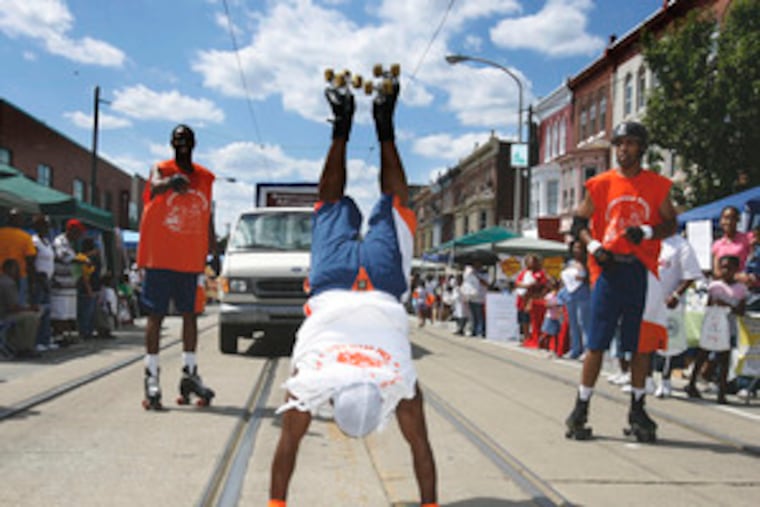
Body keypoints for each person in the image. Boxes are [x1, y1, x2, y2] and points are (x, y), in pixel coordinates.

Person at [269, 67, 437, 507]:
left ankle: (381, 125)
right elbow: (286, 450)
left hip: (380, 285)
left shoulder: (399, 383)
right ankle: (346, 126)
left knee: (395, 206)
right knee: (328, 205)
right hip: (334, 284)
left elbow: (422, 453)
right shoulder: (312, 382)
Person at [564, 121, 677, 443]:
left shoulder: (657, 185)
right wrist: (594, 245)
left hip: (640, 271)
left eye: (630, 143)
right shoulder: (600, 184)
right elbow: (580, 222)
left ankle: (638, 408)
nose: (623, 149)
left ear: (641, 147)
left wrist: (649, 232)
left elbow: (671, 222)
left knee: (640, 347)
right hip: (609, 271)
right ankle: (581, 407)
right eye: (620, 143)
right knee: (596, 344)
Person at [137, 124, 218, 409]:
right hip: (160, 257)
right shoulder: (162, 169)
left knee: (191, 314)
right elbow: (155, 187)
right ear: (171, 142)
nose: (182, 142)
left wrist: (214, 250)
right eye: (178, 138)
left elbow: (208, 213)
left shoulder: (206, 177)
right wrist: (172, 183)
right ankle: (151, 373)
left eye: (187, 138)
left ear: (194, 142)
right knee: (156, 315)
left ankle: (190, 372)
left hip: (190, 258)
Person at [685, 255, 747, 404]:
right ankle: (692, 384)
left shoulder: (740, 289)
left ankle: (722, 392)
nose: (725, 271)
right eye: (722, 267)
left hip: (728, 328)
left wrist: (728, 305)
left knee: (724, 360)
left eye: (729, 268)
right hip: (711, 326)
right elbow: (704, 304)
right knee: (702, 354)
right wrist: (712, 303)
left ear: (736, 270)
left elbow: (741, 311)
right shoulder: (714, 286)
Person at [647, 233, 703, 398]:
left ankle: (665, 381)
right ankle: (648, 379)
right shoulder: (651, 240)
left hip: (670, 303)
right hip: (650, 299)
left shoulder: (681, 245)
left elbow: (690, 275)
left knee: (669, 343)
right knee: (646, 341)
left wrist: (676, 295)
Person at [50, 219, 86, 343]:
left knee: (67, 313)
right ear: (70, 230)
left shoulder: (70, 243)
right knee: (59, 312)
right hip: (60, 283)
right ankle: (57, 337)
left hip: (68, 284)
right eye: (78, 233)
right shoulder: (60, 241)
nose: (79, 236)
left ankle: (65, 336)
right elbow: (65, 257)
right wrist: (83, 261)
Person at [0, 259, 41, 358]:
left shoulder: (4, 280)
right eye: (16, 268)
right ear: (9, 269)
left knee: (27, 316)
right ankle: (24, 347)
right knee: (31, 317)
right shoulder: (7, 283)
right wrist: (30, 309)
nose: (19, 271)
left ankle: (18, 345)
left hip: (5, 313)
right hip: (4, 316)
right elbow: (13, 307)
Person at [30, 214, 58, 351]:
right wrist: (37, 277)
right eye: (45, 226)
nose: (47, 228)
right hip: (39, 282)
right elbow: (31, 262)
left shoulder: (47, 242)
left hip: (48, 280)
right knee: (39, 311)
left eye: (48, 226)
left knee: (47, 311)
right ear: (38, 227)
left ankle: (45, 339)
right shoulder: (35, 242)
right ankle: (37, 341)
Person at [560, 240, 591, 359]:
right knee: (573, 323)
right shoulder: (569, 263)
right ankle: (575, 349)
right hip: (570, 295)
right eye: (575, 248)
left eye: (579, 248)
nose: (576, 250)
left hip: (584, 295)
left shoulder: (588, 262)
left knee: (584, 322)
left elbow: (592, 278)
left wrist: (584, 278)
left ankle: (587, 349)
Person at [0, 208, 37, 306]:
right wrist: (33, 281)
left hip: (1, 275)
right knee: (18, 306)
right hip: (18, 277)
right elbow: (30, 260)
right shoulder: (25, 237)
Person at [461, 261, 489, 337]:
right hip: (471, 297)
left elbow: (487, 284)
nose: (476, 266)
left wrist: (478, 278)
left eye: (478, 265)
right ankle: (474, 331)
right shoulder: (470, 274)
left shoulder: (485, 274)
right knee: (473, 316)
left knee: (479, 316)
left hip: (480, 298)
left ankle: (479, 332)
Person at [539, 277, 562, 355]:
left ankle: (555, 350)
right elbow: (546, 304)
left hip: (557, 317)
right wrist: (553, 304)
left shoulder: (559, 295)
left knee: (556, 334)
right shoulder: (549, 296)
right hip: (550, 316)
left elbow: (562, 303)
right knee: (547, 334)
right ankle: (544, 345)